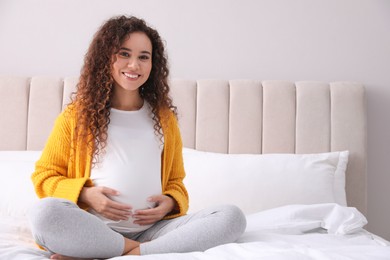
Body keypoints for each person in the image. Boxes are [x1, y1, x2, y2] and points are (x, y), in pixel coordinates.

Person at [28, 15, 246, 259]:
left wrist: (171, 202)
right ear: (105, 58)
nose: (134, 65)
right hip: (94, 228)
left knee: (231, 217)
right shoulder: (76, 117)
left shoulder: (163, 118)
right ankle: (122, 248)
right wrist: (86, 195)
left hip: (154, 231)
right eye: (124, 54)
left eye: (144, 56)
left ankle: (122, 252)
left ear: (153, 64)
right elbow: (44, 176)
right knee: (45, 214)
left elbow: (176, 181)